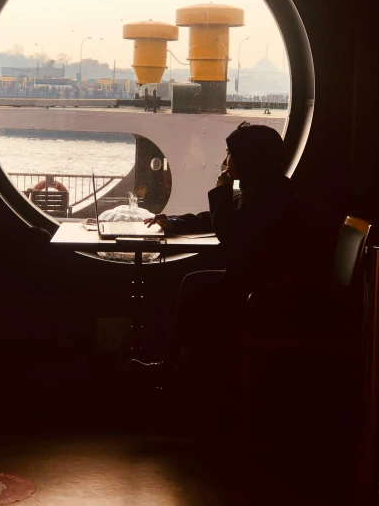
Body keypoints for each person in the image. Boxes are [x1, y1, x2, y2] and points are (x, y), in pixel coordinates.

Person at [130, 121, 313, 411]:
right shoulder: (268, 190)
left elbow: (231, 238)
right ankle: (176, 369)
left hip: (263, 292)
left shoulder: (270, 199)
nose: (225, 160)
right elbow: (215, 219)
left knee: (194, 287)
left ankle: (179, 374)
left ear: (247, 159)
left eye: (230, 153)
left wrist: (222, 189)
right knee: (193, 283)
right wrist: (175, 221)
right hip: (257, 282)